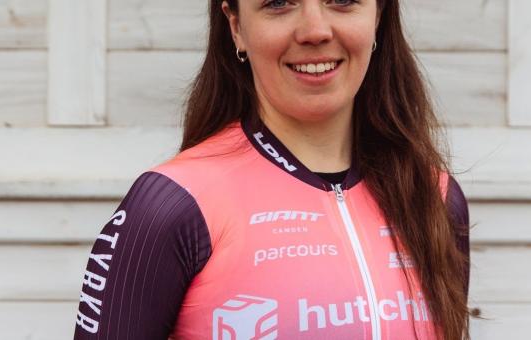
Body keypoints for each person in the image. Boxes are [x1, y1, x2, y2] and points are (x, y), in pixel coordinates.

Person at [73, 0, 471, 339]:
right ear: (236, 26)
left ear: (379, 16)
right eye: (279, 2)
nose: (315, 29)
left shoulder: (434, 197)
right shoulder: (173, 205)